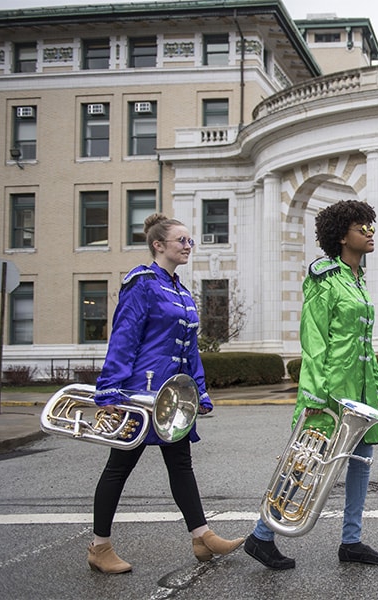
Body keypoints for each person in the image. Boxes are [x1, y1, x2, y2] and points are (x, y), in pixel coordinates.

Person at [88, 213, 243, 574]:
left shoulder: (181, 291)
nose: (189, 246)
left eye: (190, 241)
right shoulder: (141, 283)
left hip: (172, 398)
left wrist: (199, 392)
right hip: (139, 394)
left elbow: (190, 350)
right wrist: (110, 391)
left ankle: (202, 536)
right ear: (159, 245)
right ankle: (99, 547)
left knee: (181, 465)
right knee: (119, 467)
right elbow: (124, 337)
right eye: (182, 241)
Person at [244, 200, 378, 570]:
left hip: (359, 394)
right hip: (328, 393)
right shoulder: (323, 278)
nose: (371, 233)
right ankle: (262, 534)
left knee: (361, 463)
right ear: (342, 237)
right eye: (363, 228)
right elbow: (314, 341)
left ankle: (351, 540)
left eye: (371, 227)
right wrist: (313, 396)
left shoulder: (357, 279)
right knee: (306, 463)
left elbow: (364, 345)